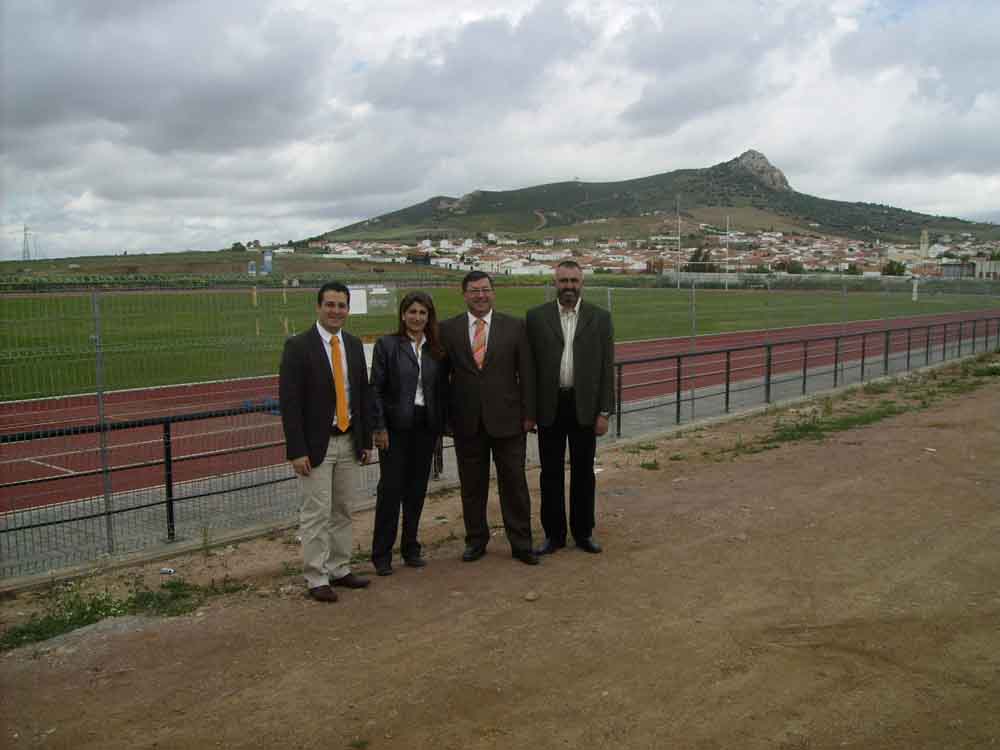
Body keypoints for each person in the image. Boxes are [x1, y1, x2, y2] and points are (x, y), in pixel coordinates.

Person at [279, 281, 375, 603]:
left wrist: (365, 440)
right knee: (316, 513)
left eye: (341, 305)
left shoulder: (352, 343)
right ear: (318, 307)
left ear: (348, 309)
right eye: (330, 305)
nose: (336, 311)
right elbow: (289, 402)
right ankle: (316, 576)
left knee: (343, 509)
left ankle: (340, 568)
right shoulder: (298, 346)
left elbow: (361, 392)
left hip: (349, 440)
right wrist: (296, 450)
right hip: (316, 445)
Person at [439, 271, 539, 565]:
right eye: (474, 291)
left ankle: (521, 543)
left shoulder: (515, 326)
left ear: (493, 292)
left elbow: (528, 373)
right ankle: (476, 541)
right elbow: (441, 379)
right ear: (464, 294)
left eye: (485, 290)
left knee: (514, 485)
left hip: (509, 421)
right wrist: (446, 419)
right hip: (467, 423)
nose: (480, 296)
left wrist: (530, 414)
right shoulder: (448, 329)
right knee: (472, 487)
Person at [525, 260, 614, 556]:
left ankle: (583, 532)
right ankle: (554, 535)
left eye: (574, 281)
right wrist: (530, 411)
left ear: (582, 283)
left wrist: (605, 411)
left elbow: (606, 368)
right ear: (555, 282)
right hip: (549, 407)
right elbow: (529, 369)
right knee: (549, 473)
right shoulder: (535, 317)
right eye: (563, 281)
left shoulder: (600, 318)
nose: (569, 287)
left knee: (583, 472)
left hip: (585, 407)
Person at [369, 291, 448, 576]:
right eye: (412, 312)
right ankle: (381, 554)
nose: (417, 317)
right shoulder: (387, 345)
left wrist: (440, 427)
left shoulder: (436, 350)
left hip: (425, 427)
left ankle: (411, 547)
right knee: (390, 490)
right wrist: (379, 427)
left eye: (422, 313)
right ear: (403, 315)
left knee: (416, 490)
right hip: (395, 427)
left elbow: (441, 392)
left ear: (429, 317)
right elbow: (375, 389)